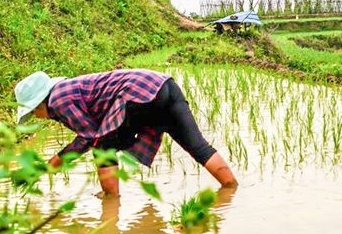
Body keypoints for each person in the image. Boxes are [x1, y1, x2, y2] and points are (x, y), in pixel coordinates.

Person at [14, 69, 238, 196]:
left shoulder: (58, 98)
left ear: (38, 103)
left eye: (33, 112)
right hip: (165, 85)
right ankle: (231, 190)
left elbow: (88, 136)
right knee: (198, 147)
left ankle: (111, 200)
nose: (35, 116)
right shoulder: (68, 89)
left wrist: (47, 167)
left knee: (101, 146)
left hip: (137, 94)